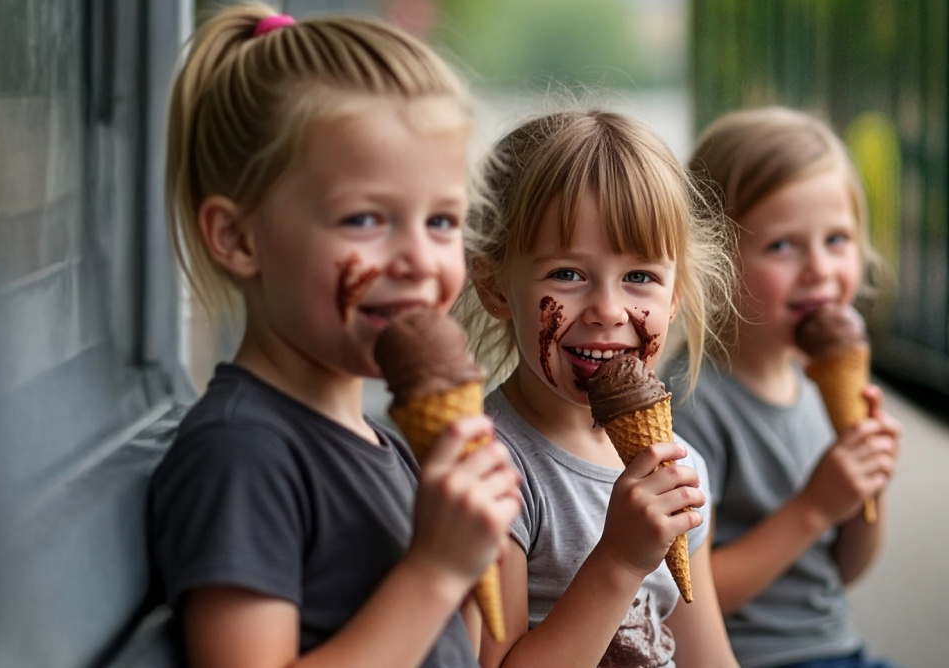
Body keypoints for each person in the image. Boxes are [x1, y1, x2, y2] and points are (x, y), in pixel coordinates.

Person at [148, 4, 521, 667]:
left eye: (441, 221)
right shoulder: (242, 455)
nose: (418, 259)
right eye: (365, 219)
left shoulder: (391, 447)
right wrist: (434, 571)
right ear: (238, 238)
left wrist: (468, 565)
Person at [457, 109, 740, 668]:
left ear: (676, 295)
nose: (608, 310)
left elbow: (709, 656)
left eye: (640, 277)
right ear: (494, 285)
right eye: (567, 274)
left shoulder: (680, 468)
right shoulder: (489, 471)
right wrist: (620, 560)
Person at [663, 107, 904, 668]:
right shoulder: (691, 402)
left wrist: (866, 490)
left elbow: (843, 569)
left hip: (838, 645)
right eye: (783, 246)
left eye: (837, 239)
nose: (819, 267)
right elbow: (688, 593)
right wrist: (815, 507)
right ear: (713, 258)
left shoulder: (817, 385)